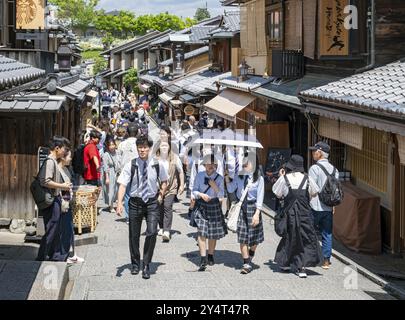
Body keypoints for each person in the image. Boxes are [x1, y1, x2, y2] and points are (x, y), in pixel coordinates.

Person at [116, 136, 168, 279]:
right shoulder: (131, 165)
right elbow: (122, 185)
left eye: (145, 147)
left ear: (149, 148)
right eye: (140, 147)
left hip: (152, 202)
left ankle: (146, 264)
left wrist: (161, 194)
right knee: (134, 235)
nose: (142, 150)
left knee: (151, 233)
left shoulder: (157, 164)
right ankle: (134, 263)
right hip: (135, 203)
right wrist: (119, 203)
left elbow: (164, 180)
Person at [272, 155, 322, 278]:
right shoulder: (307, 178)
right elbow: (315, 193)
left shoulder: (285, 178)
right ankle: (302, 268)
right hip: (304, 213)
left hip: (290, 214)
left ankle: (286, 263)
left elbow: (278, 194)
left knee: (290, 237)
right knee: (305, 238)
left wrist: (281, 176)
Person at [225, 152, 265, 274]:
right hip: (241, 208)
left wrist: (257, 213)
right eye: (244, 164)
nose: (244, 166)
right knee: (242, 236)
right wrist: (227, 178)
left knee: (255, 238)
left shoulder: (259, 178)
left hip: (253, 208)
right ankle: (246, 262)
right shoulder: (239, 176)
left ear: (253, 164)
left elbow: (260, 197)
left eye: (246, 164)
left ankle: (251, 251)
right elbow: (231, 189)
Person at [36, 136, 72, 261]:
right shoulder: (50, 161)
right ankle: (41, 256)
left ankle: (54, 255)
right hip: (51, 199)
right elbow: (45, 181)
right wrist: (62, 186)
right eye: (64, 149)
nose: (64, 152)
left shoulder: (52, 161)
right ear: (57, 148)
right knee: (52, 228)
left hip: (54, 198)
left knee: (54, 228)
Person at [192, 154, 227, 271]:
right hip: (201, 205)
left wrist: (214, 186)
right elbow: (194, 190)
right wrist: (201, 194)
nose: (210, 166)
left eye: (213, 164)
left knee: (212, 234)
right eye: (208, 164)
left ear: (216, 166)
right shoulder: (199, 175)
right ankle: (203, 258)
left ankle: (210, 254)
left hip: (214, 205)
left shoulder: (220, 178)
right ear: (204, 165)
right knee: (201, 232)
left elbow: (221, 195)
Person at [308, 142, 340, 270]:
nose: (312, 153)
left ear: (320, 153)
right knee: (327, 233)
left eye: (314, 151)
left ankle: (311, 256)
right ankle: (326, 260)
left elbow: (312, 188)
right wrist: (332, 205)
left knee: (310, 231)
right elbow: (336, 189)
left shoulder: (314, 168)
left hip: (315, 205)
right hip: (328, 206)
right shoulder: (334, 169)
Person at [58, 149, 85, 264]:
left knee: (69, 230)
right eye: (69, 156)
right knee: (65, 230)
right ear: (63, 157)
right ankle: (64, 255)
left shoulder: (66, 169)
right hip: (63, 203)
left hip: (67, 201)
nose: (70, 158)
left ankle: (71, 254)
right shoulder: (58, 170)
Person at [155, 141, 185, 242]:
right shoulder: (155, 159)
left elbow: (180, 172)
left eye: (166, 146)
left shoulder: (175, 158)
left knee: (167, 206)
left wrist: (181, 185)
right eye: (162, 146)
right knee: (159, 207)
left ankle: (167, 231)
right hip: (158, 188)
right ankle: (162, 226)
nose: (164, 147)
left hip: (171, 187)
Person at [102, 138, 120, 213]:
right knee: (110, 190)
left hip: (116, 173)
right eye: (110, 145)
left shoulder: (117, 152)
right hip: (109, 173)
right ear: (107, 146)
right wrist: (107, 178)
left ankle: (112, 204)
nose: (112, 146)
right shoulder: (106, 155)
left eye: (113, 144)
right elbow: (105, 167)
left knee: (116, 189)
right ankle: (111, 206)